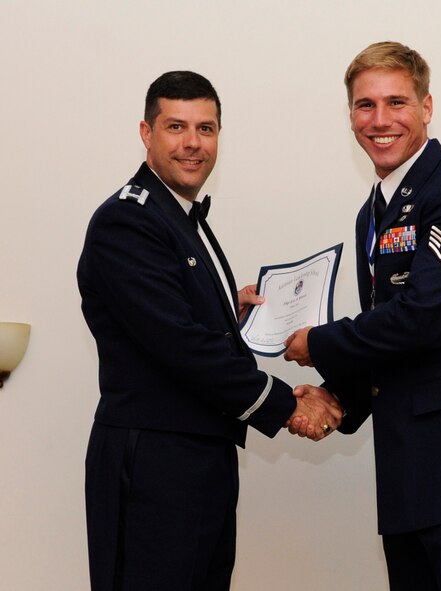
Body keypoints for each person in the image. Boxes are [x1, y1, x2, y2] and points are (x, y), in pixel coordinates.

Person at [283, 42, 441, 591]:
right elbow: (388, 335)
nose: (380, 120)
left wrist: (318, 343)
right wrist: (337, 397)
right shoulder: (373, 211)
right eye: (365, 105)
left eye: (396, 102)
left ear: (427, 107)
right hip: (408, 470)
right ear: (350, 115)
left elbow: (422, 318)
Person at [77, 70, 342, 591]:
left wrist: (228, 314)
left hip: (198, 455)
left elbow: (174, 321)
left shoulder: (176, 217)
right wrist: (286, 405)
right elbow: (179, 345)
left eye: (206, 128)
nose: (193, 143)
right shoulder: (127, 221)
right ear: (146, 133)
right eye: (176, 126)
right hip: (154, 461)